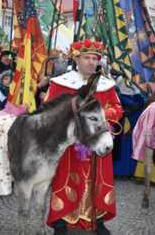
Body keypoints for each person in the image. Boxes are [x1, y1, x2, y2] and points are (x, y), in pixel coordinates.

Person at [46, 39, 123, 235]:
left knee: (97, 180)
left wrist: (101, 117)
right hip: (70, 143)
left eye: (94, 59)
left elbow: (117, 108)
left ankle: (97, 219)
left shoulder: (106, 85)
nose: (91, 62)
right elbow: (48, 109)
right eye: (86, 58)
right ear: (76, 59)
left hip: (97, 141)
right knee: (66, 178)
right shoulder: (60, 83)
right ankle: (62, 220)